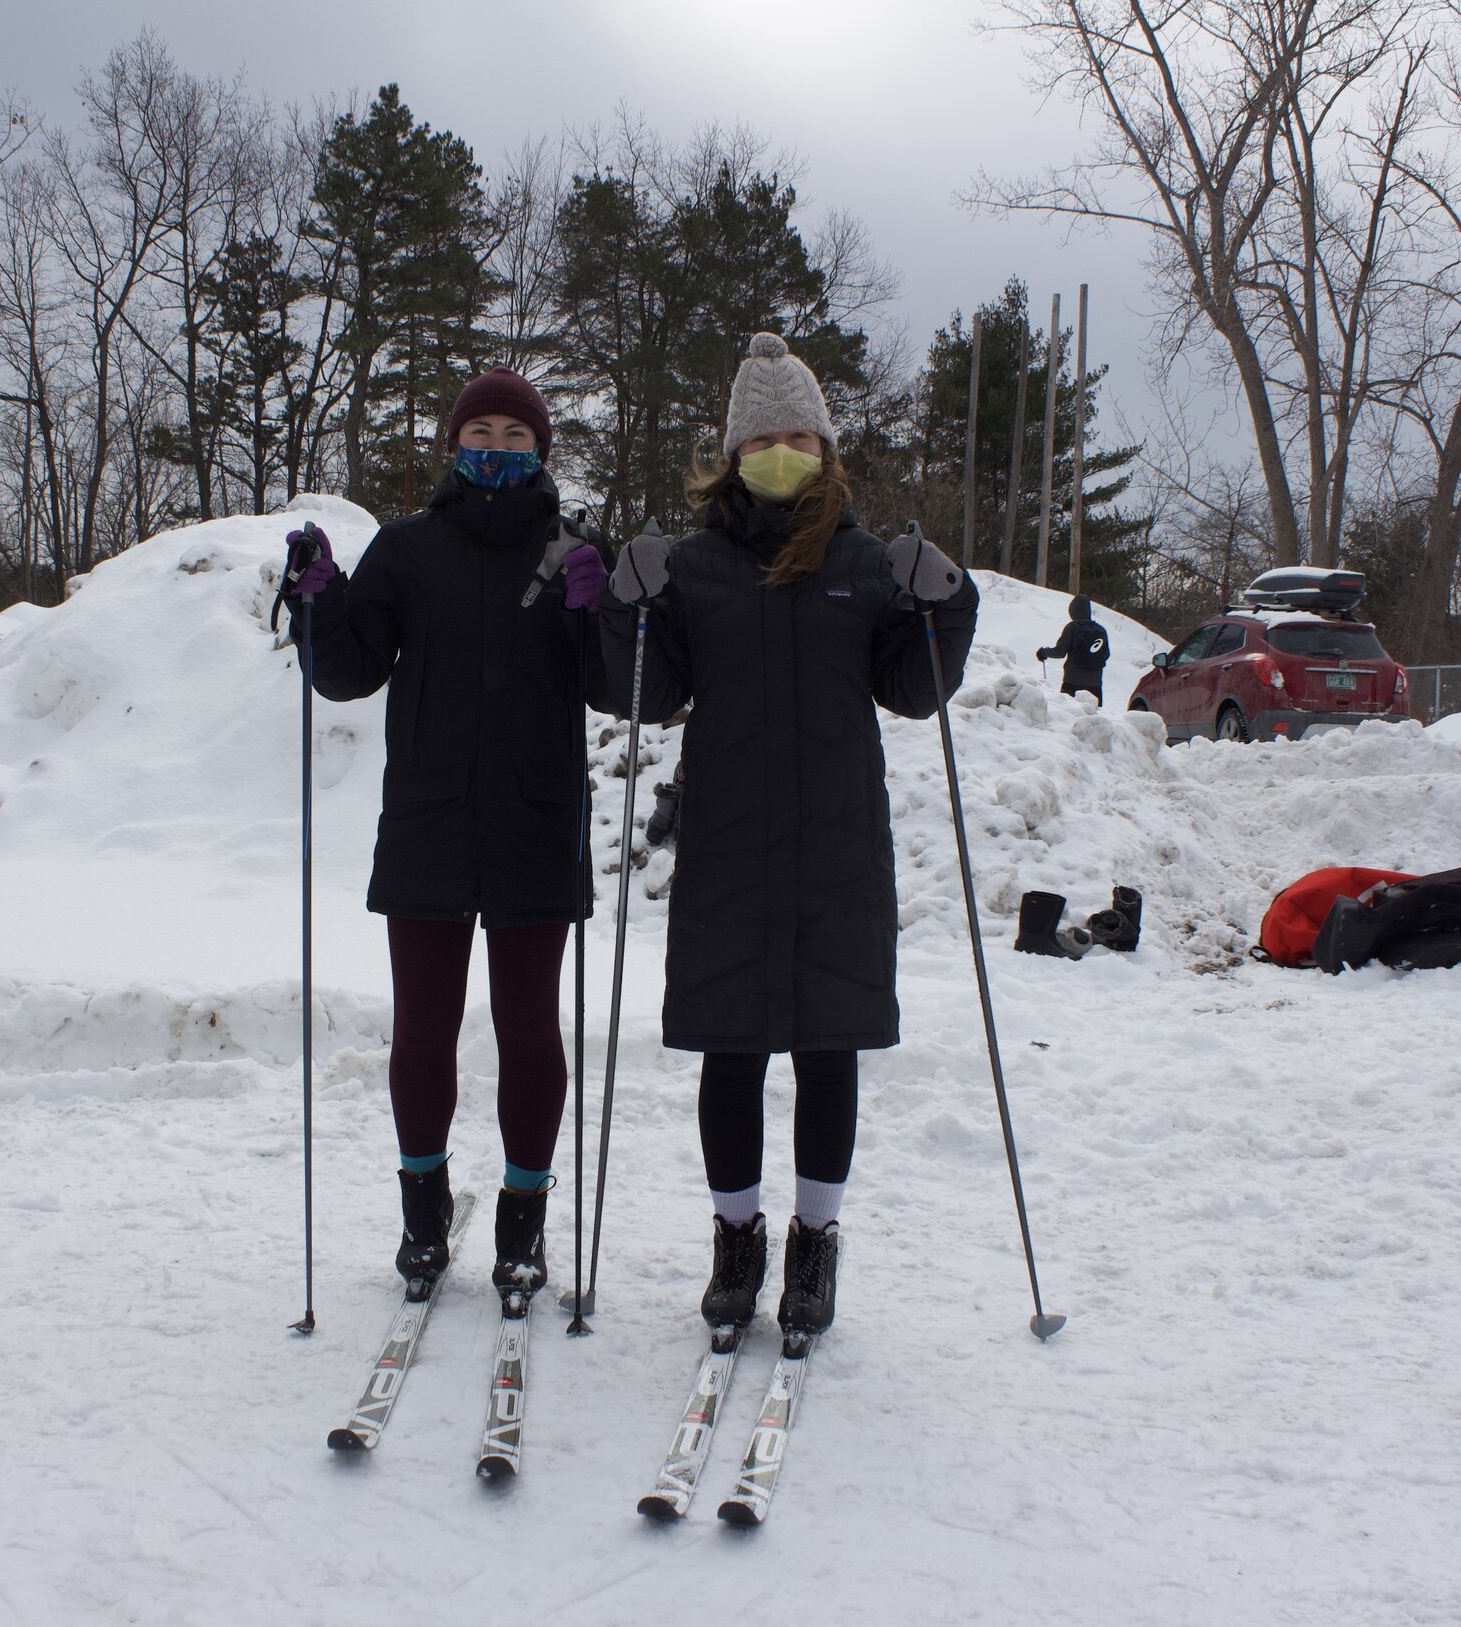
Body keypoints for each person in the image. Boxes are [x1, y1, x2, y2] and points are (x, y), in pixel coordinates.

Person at [595, 332, 977, 1340]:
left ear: (825, 443)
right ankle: (735, 1240)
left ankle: (814, 1243)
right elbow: (652, 689)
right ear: (731, 451)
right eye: (761, 436)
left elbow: (914, 687)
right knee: (730, 1051)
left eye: (797, 433)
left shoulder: (862, 564)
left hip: (835, 848)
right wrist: (626, 611)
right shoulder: (695, 568)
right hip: (725, 845)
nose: (780, 450)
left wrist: (948, 604)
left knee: (826, 1050)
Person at [281, 369, 607, 1304]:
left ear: (541, 448)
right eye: (481, 429)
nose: (497, 445)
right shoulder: (410, 549)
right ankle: (422, 1216)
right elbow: (349, 673)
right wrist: (320, 599)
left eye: (515, 432)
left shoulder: (573, 547)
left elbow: (615, 680)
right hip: (428, 823)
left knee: (528, 1028)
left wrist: (607, 610)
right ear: (453, 443)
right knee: (422, 1028)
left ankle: (523, 1220)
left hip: (537, 824)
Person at [1046, 594, 1110, 700]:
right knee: (1093, 715)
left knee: (1070, 715)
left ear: (1073, 611)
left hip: (1072, 682)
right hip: (1095, 685)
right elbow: (1106, 655)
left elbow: (1059, 652)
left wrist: (1044, 652)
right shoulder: (1101, 630)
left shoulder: (1072, 628)